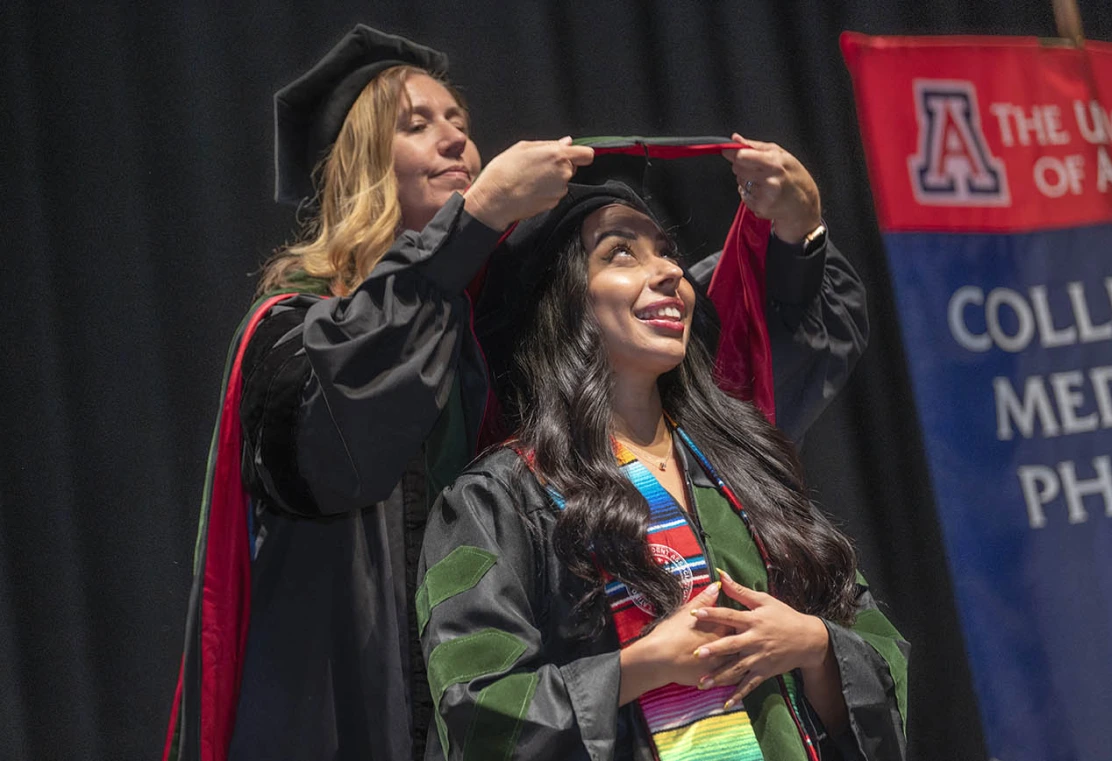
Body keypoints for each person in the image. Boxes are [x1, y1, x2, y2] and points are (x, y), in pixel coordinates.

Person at [165, 23, 868, 761]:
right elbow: (346, 445)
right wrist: (473, 224)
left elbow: (700, 349)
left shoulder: (488, 329)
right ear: (360, 165)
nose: (454, 141)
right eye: (417, 124)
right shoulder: (293, 335)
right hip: (346, 704)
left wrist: (797, 237)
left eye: (460, 125)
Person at [417, 182, 907, 761]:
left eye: (666, 250)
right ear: (564, 299)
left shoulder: (745, 468)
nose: (670, 271)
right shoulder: (497, 498)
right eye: (621, 252)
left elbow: (876, 643)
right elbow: (475, 713)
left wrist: (815, 646)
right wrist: (641, 667)